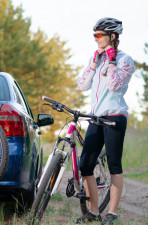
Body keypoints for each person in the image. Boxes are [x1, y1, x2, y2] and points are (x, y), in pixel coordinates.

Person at [76, 17, 135, 224]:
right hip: (96, 117)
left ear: (113, 36)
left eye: (100, 35)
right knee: (85, 165)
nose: (96, 39)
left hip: (115, 116)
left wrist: (111, 61)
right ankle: (93, 212)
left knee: (114, 165)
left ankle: (112, 213)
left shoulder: (125, 60)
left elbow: (114, 85)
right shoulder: (97, 58)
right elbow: (82, 85)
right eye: (94, 35)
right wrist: (94, 62)